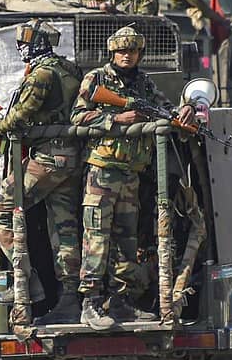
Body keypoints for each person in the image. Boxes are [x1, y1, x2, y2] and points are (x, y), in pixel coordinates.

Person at [71, 25, 195, 330]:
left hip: (131, 174)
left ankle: (122, 301)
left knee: (127, 240)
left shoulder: (143, 82)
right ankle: (91, 302)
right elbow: (77, 117)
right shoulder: (96, 79)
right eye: (122, 51)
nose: (127, 56)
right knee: (97, 237)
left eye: (133, 51)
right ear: (112, 52)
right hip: (102, 171)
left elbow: (166, 110)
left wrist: (186, 110)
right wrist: (114, 119)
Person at [0, 19, 84, 326]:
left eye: (26, 42)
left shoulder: (41, 74)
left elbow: (20, 115)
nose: (22, 48)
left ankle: (28, 282)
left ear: (39, 43)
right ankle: (71, 297)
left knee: (0, 208)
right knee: (65, 231)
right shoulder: (70, 69)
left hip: (48, 158)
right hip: (73, 157)